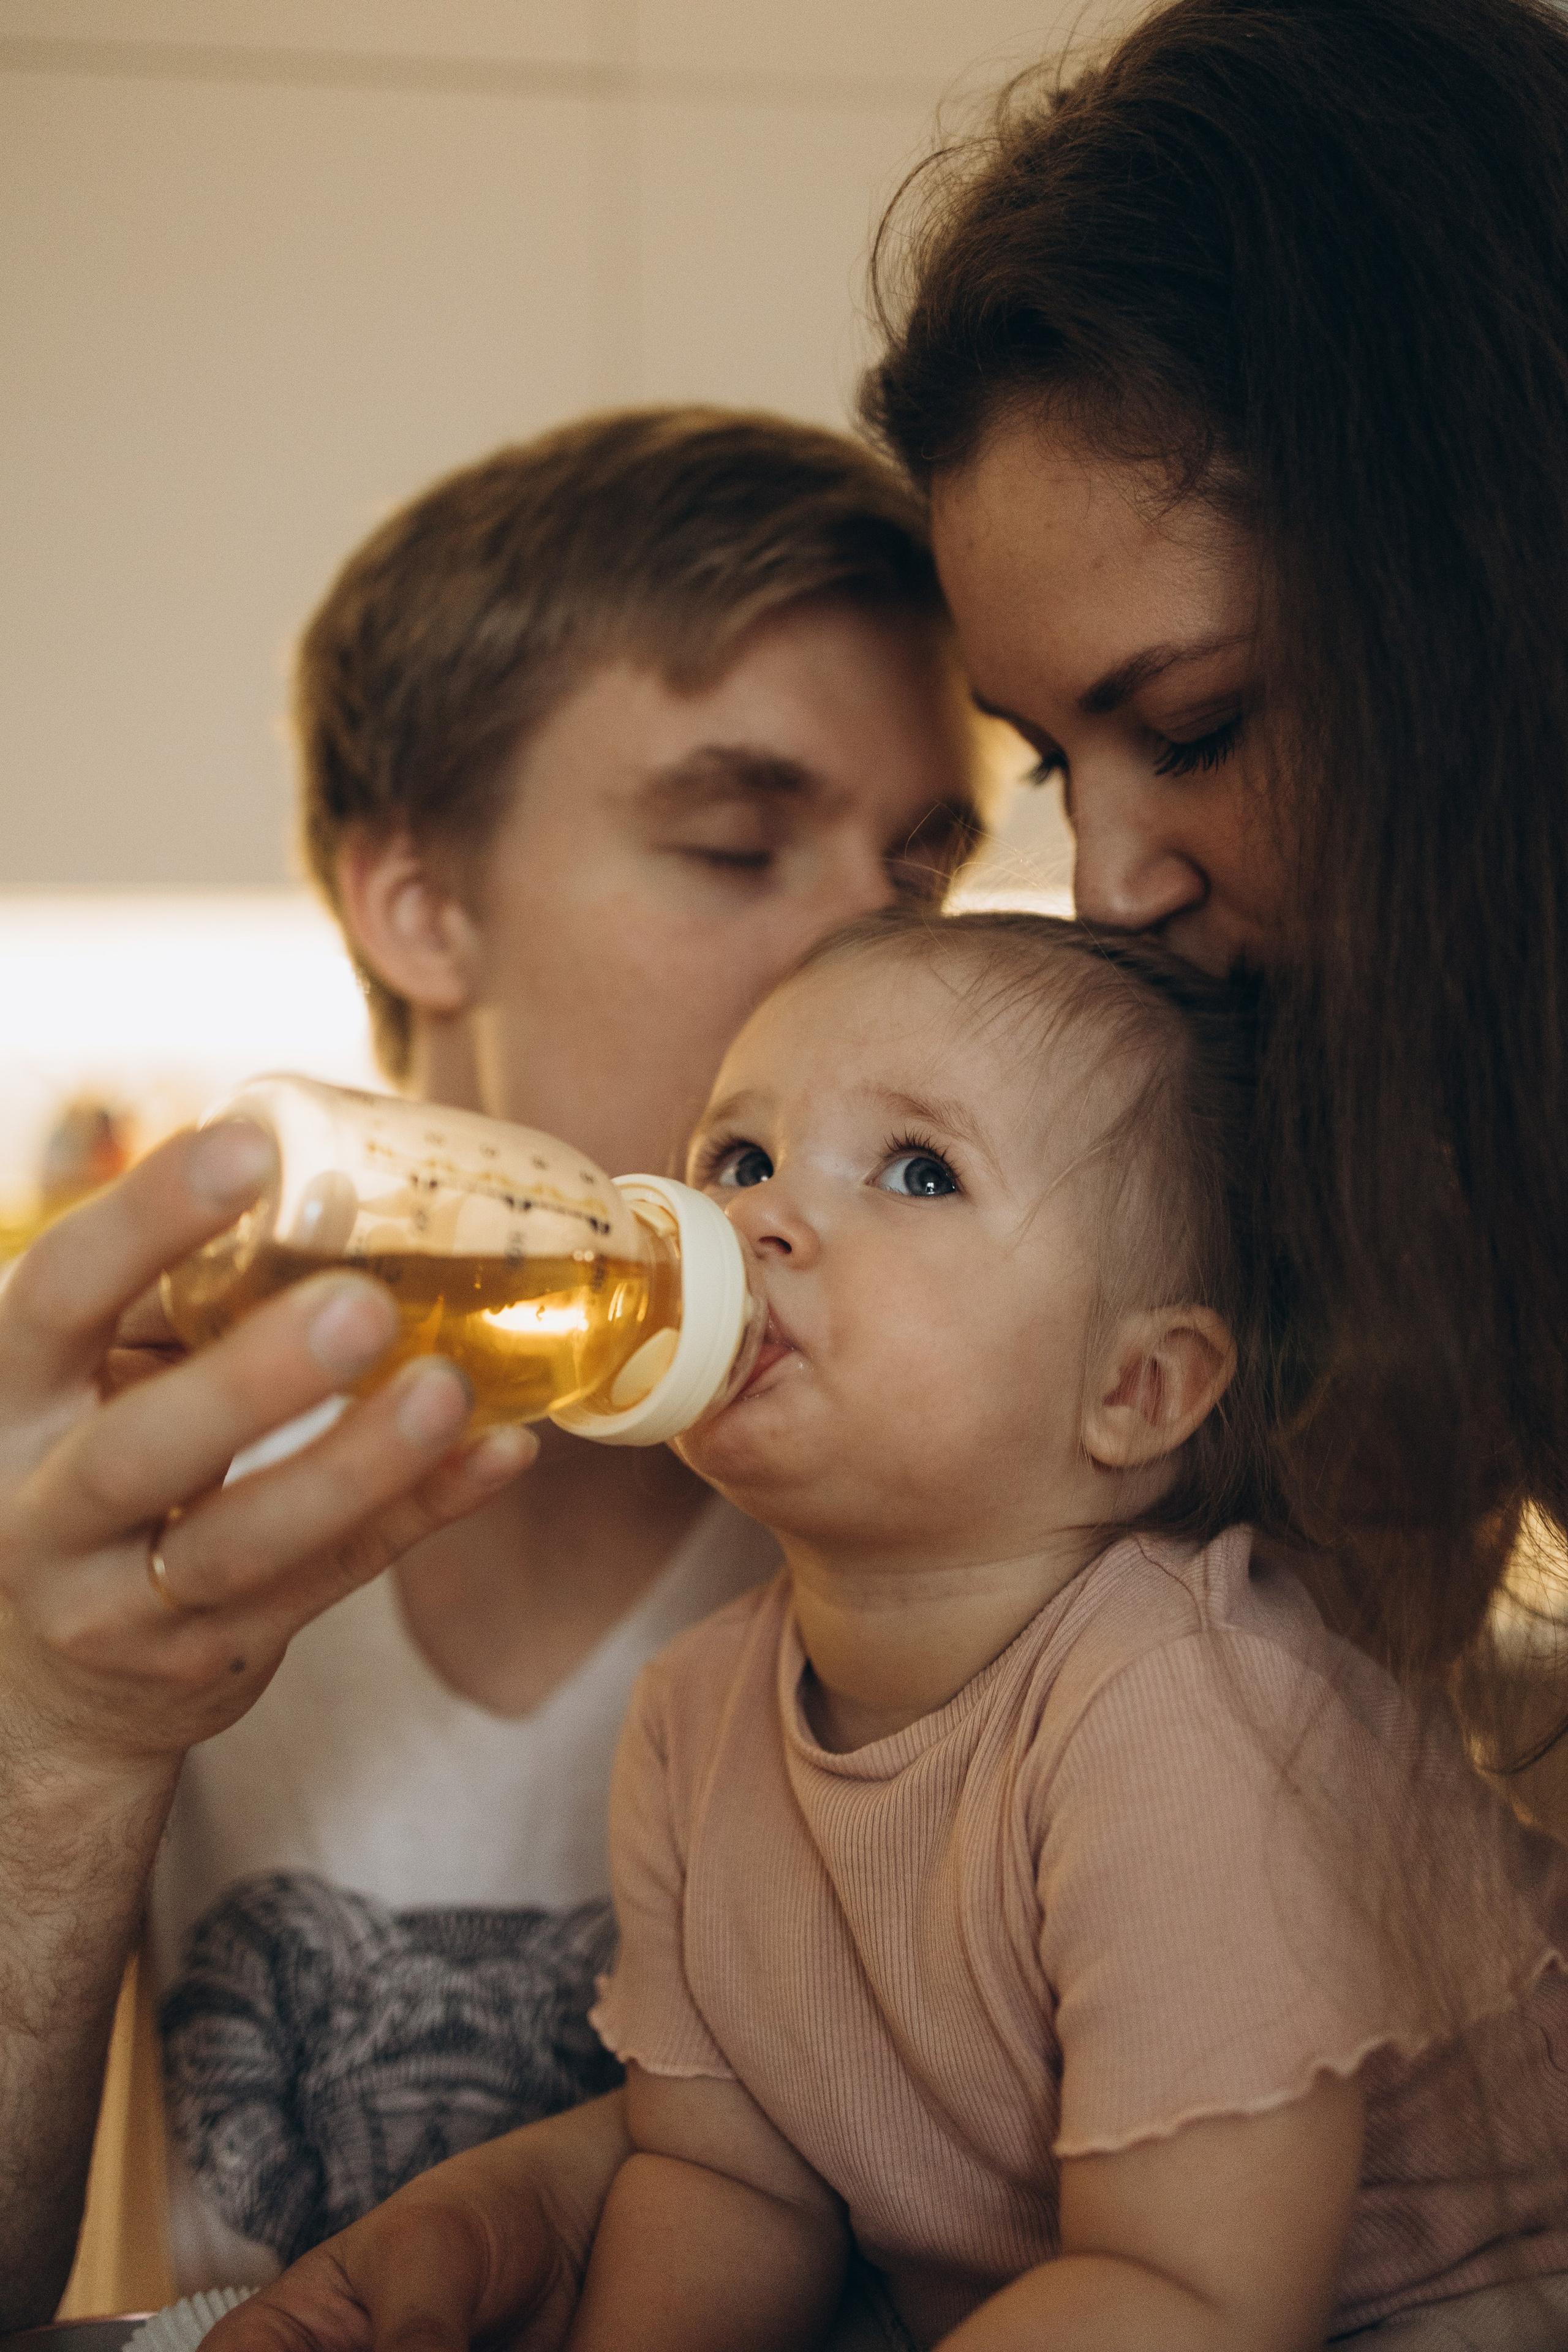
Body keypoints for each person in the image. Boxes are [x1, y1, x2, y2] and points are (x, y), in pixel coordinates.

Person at [205, 1, 1568, 2345]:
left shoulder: (1178, 1681)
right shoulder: (729, 1696)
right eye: (1061, 768)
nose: (1109, 887)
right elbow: (753, 2157)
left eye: (1202, 723)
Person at [0, 405, 979, 2321]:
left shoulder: (978, 1523)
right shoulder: (119, 1497)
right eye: (734, 843)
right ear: (416, 905)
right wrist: (64, 1750)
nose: (873, 958)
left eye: (920, 875)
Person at [579, 907, 1568, 2350]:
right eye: (739, 1156)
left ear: (1141, 1389)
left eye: (918, 1172)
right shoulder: (691, 1714)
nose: (759, 1216)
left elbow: (1194, 2294)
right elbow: (723, 2180)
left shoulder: (1182, 1707)